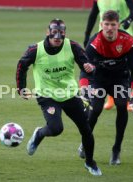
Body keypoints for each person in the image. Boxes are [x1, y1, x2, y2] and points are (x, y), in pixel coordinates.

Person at [16, 19, 102, 176]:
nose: (57, 37)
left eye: (60, 34)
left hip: (69, 94)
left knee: (86, 130)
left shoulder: (73, 46)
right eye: (53, 33)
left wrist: (91, 68)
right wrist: (21, 89)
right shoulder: (35, 49)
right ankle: (39, 134)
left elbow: (88, 67)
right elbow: (22, 66)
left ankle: (90, 163)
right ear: (47, 32)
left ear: (64, 34)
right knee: (56, 129)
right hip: (47, 95)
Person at [78, 10, 133, 165]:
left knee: (121, 105)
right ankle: (85, 144)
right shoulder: (93, 44)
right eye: (106, 24)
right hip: (98, 79)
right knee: (96, 109)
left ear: (118, 25)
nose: (109, 28)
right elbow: (84, 72)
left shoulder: (128, 41)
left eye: (113, 24)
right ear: (101, 25)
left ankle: (116, 150)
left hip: (119, 79)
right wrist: (84, 94)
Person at [80, 0, 133, 110]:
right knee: (104, 67)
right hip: (103, 38)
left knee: (125, 68)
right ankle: (111, 98)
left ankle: (128, 98)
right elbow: (93, 15)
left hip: (124, 37)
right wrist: (87, 34)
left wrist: (128, 20)